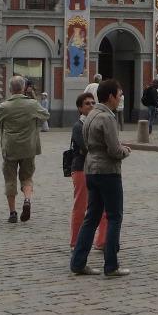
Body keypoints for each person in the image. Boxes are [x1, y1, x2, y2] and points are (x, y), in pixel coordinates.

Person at [70, 79, 131, 277]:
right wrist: (125, 151)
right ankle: (111, 265)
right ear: (111, 96)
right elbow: (114, 150)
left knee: (91, 217)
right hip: (108, 171)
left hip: (91, 170)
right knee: (114, 216)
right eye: (119, 95)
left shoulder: (90, 115)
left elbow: (87, 145)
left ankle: (78, 262)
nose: (120, 98)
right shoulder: (107, 117)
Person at [0, 75, 48, 223]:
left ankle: (13, 213)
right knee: (27, 177)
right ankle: (27, 200)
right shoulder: (32, 104)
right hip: (29, 147)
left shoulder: (5, 106)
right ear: (23, 88)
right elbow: (45, 115)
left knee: (10, 179)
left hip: (10, 148)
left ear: (10, 89)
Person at [67, 93, 107, 252]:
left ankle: (103, 240)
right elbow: (87, 147)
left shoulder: (99, 123)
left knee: (104, 206)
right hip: (81, 169)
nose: (91, 106)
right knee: (81, 206)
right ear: (80, 108)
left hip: (99, 168)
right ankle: (75, 242)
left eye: (93, 103)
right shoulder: (78, 126)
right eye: (87, 104)